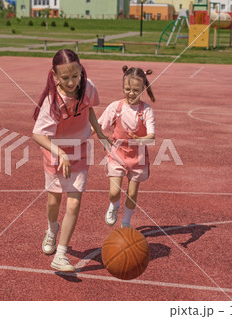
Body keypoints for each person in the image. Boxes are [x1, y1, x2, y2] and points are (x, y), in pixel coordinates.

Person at [32, 49, 109, 272]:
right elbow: (38, 135)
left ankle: (61, 254)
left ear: (81, 71)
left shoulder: (88, 88)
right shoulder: (52, 102)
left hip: (79, 150)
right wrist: (61, 153)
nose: (72, 82)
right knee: (54, 201)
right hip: (55, 152)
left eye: (75, 76)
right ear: (55, 76)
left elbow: (90, 109)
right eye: (65, 78)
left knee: (74, 201)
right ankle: (51, 230)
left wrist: (101, 134)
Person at [98, 65, 156, 228]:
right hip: (117, 156)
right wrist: (103, 140)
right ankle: (114, 206)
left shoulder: (146, 111)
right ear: (123, 87)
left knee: (132, 193)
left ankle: (126, 222)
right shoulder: (115, 107)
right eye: (127, 89)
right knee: (114, 192)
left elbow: (151, 137)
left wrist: (139, 140)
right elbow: (99, 126)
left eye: (136, 90)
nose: (131, 93)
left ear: (143, 88)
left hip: (138, 158)